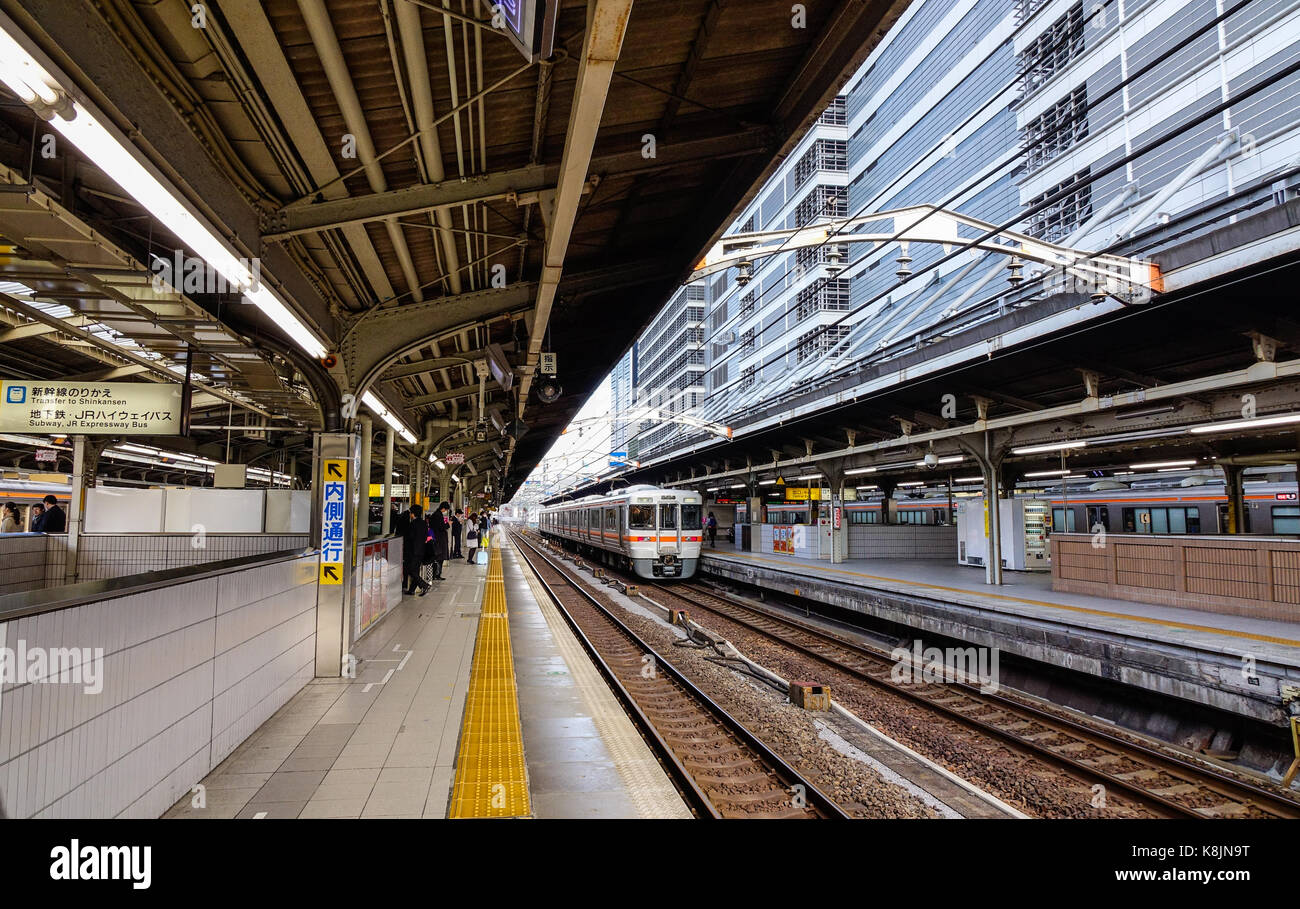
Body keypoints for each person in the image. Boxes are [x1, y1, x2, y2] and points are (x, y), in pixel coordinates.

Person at [402, 504, 430, 596]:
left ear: (413, 514)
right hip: (421, 550)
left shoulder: (413, 524)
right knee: (415, 570)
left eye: (410, 513)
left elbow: (410, 538)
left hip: (413, 551)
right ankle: (411, 590)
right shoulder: (424, 523)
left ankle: (424, 585)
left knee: (411, 570)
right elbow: (426, 535)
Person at [430, 501, 451, 579]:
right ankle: (437, 575)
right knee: (439, 558)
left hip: (437, 538)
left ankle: (436, 574)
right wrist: (448, 524)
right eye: (445, 509)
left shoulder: (436, 514)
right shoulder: (438, 515)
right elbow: (441, 527)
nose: (445, 511)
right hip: (439, 540)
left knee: (438, 557)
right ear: (443, 508)